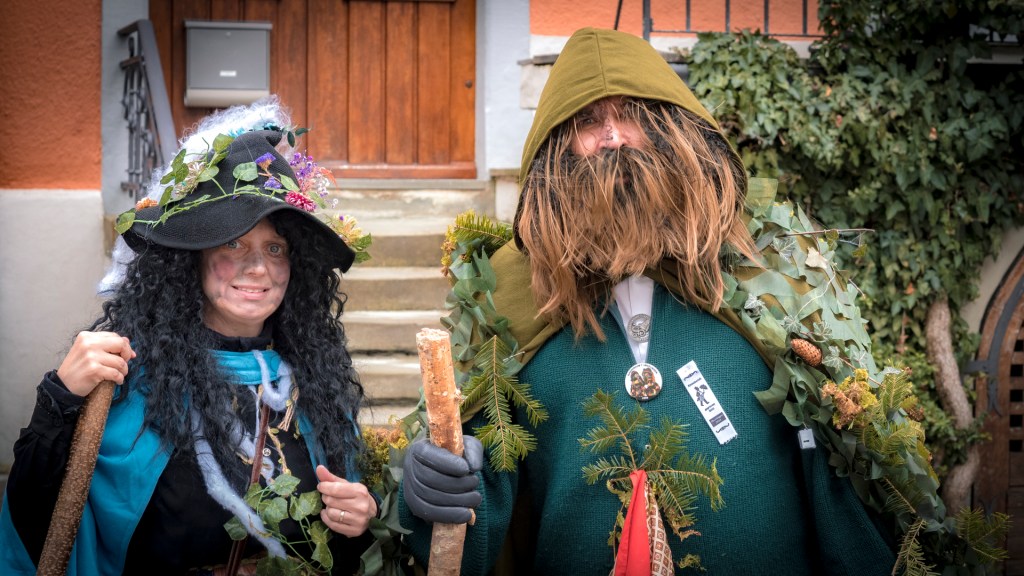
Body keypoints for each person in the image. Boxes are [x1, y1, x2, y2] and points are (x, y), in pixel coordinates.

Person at [396, 28, 910, 575]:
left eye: (631, 114)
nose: (612, 137)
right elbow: (470, 539)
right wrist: (433, 493)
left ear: (672, 129)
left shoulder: (769, 275)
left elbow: (842, 491)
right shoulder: (510, 296)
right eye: (588, 122)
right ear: (556, 151)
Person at [0, 100, 377, 575]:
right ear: (192, 259)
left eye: (275, 248)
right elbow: (40, 523)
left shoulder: (317, 386)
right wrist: (58, 402)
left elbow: (348, 539)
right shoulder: (128, 380)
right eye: (232, 242)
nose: (257, 267)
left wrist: (363, 515)